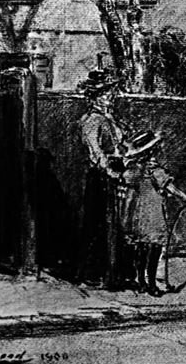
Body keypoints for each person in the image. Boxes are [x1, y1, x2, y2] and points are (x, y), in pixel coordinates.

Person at [119, 130, 186, 297]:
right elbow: (171, 189)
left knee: (141, 248)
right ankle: (152, 284)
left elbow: (129, 182)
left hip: (139, 214)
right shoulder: (156, 171)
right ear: (151, 151)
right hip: (153, 215)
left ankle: (141, 283)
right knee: (154, 249)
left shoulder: (135, 170)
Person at [75, 69, 127, 286]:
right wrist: (111, 172)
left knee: (114, 225)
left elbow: (118, 146)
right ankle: (93, 274)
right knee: (100, 225)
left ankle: (113, 275)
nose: (109, 96)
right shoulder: (91, 121)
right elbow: (95, 152)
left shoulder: (109, 118)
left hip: (114, 172)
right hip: (101, 177)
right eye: (104, 93)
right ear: (93, 96)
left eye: (109, 91)